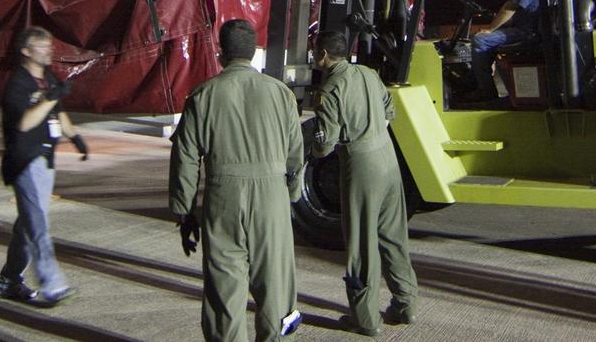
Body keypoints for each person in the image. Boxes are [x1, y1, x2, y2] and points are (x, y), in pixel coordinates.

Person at [169, 19, 304, 342]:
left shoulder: (202, 96)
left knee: (223, 290)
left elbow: (185, 159)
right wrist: (290, 197)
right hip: (271, 197)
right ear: (254, 52)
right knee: (276, 285)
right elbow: (296, 155)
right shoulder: (280, 94)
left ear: (220, 54)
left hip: (223, 197)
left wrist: (184, 211)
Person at [310, 30, 417, 337]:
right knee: (394, 235)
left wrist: (314, 150)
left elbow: (325, 144)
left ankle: (365, 318)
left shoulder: (330, 89)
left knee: (361, 244)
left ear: (324, 55)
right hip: (387, 158)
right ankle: (405, 303)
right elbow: (389, 111)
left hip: (361, 166)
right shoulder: (369, 74)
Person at [0, 26, 86, 306]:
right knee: (37, 226)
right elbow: (24, 123)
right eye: (42, 46)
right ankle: (53, 284)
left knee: (27, 225)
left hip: (45, 158)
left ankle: (10, 279)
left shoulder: (47, 78)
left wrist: (76, 137)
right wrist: (49, 99)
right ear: (26, 51)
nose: (49, 50)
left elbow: (57, 111)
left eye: (49, 46)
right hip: (25, 161)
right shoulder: (17, 85)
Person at [466, 0, 556, 99]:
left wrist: (490, 28)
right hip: (529, 28)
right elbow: (523, 9)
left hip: (527, 33)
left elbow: (510, 7)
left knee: (480, 40)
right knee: (488, 41)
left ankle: (486, 92)